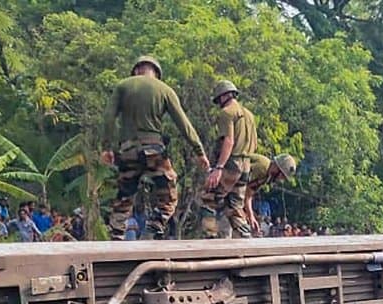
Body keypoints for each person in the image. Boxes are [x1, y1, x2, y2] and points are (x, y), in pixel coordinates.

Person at [100, 55, 208, 240]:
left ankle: (116, 236)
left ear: (136, 70)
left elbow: (109, 117)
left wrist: (106, 147)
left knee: (125, 196)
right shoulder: (164, 89)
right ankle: (153, 228)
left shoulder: (123, 86)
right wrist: (199, 151)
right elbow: (184, 124)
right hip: (154, 150)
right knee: (169, 194)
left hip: (128, 150)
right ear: (156, 73)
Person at [201, 80, 258, 239]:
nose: (219, 102)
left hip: (231, 163)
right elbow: (255, 143)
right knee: (234, 206)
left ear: (225, 96)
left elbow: (229, 141)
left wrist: (219, 168)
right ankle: (246, 239)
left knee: (208, 199)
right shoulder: (249, 115)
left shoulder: (227, 113)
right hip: (246, 164)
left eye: (219, 98)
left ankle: (209, 240)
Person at [242, 154, 297, 235]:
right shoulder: (263, 167)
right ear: (277, 168)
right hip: (226, 191)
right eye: (282, 175)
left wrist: (251, 217)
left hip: (232, 197)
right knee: (241, 230)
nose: (281, 179)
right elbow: (239, 186)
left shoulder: (265, 177)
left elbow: (247, 195)